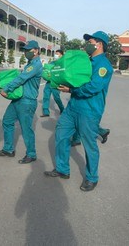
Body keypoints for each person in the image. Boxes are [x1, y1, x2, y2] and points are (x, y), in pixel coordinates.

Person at [45, 31, 113, 192]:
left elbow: (93, 87)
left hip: (89, 110)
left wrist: (71, 89)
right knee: (61, 135)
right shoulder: (85, 61)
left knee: (89, 145)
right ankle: (62, 169)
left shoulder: (103, 65)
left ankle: (92, 178)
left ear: (100, 44)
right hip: (73, 108)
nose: (87, 44)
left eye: (90, 41)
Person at [0, 40, 43, 164]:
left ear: (36, 50)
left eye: (28, 50)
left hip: (27, 101)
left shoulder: (36, 65)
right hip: (19, 99)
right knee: (7, 121)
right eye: (25, 50)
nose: (26, 52)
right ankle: (8, 149)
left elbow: (21, 78)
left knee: (26, 128)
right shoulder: (30, 63)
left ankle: (31, 154)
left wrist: (7, 88)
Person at [40, 49, 65, 117]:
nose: (56, 55)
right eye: (55, 54)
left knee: (56, 97)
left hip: (57, 83)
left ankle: (62, 109)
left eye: (58, 54)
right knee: (46, 97)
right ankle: (46, 112)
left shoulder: (63, 63)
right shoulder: (52, 63)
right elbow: (47, 70)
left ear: (61, 55)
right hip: (49, 82)